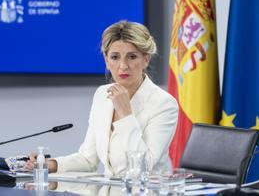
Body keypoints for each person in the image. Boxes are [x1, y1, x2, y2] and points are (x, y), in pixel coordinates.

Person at [25, 20, 178, 176]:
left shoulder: (164, 104)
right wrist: (49, 164)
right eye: (115, 57)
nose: (123, 66)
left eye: (132, 57)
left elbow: (144, 167)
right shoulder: (102, 95)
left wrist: (126, 114)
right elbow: (88, 159)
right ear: (106, 60)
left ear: (146, 59)